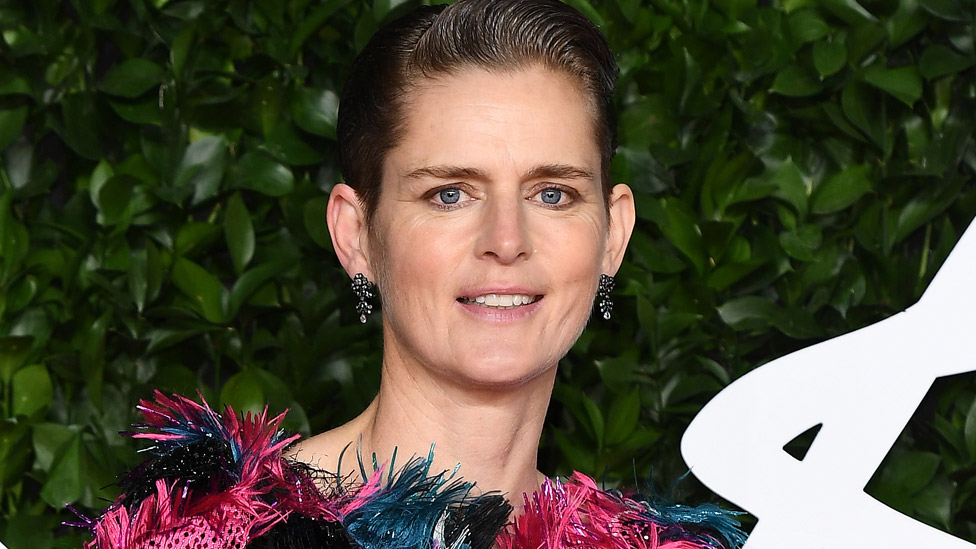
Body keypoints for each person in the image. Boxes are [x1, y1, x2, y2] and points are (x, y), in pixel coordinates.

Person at [79, 1, 745, 547]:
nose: (506, 242)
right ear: (356, 235)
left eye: (553, 194)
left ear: (613, 233)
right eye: (450, 193)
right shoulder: (219, 527)